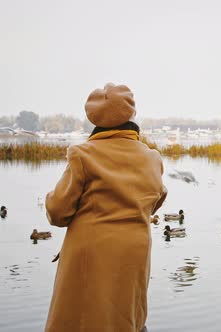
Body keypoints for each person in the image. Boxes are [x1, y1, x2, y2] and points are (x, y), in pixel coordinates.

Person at [45, 83, 168, 332]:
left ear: (94, 118)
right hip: (134, 251)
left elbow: (58, 212)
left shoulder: (83, 155)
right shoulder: (152, 157)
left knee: (83, 320)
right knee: (126, 318)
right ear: (132, 115)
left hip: (91, 254)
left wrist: (50, 197)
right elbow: (158, 197)